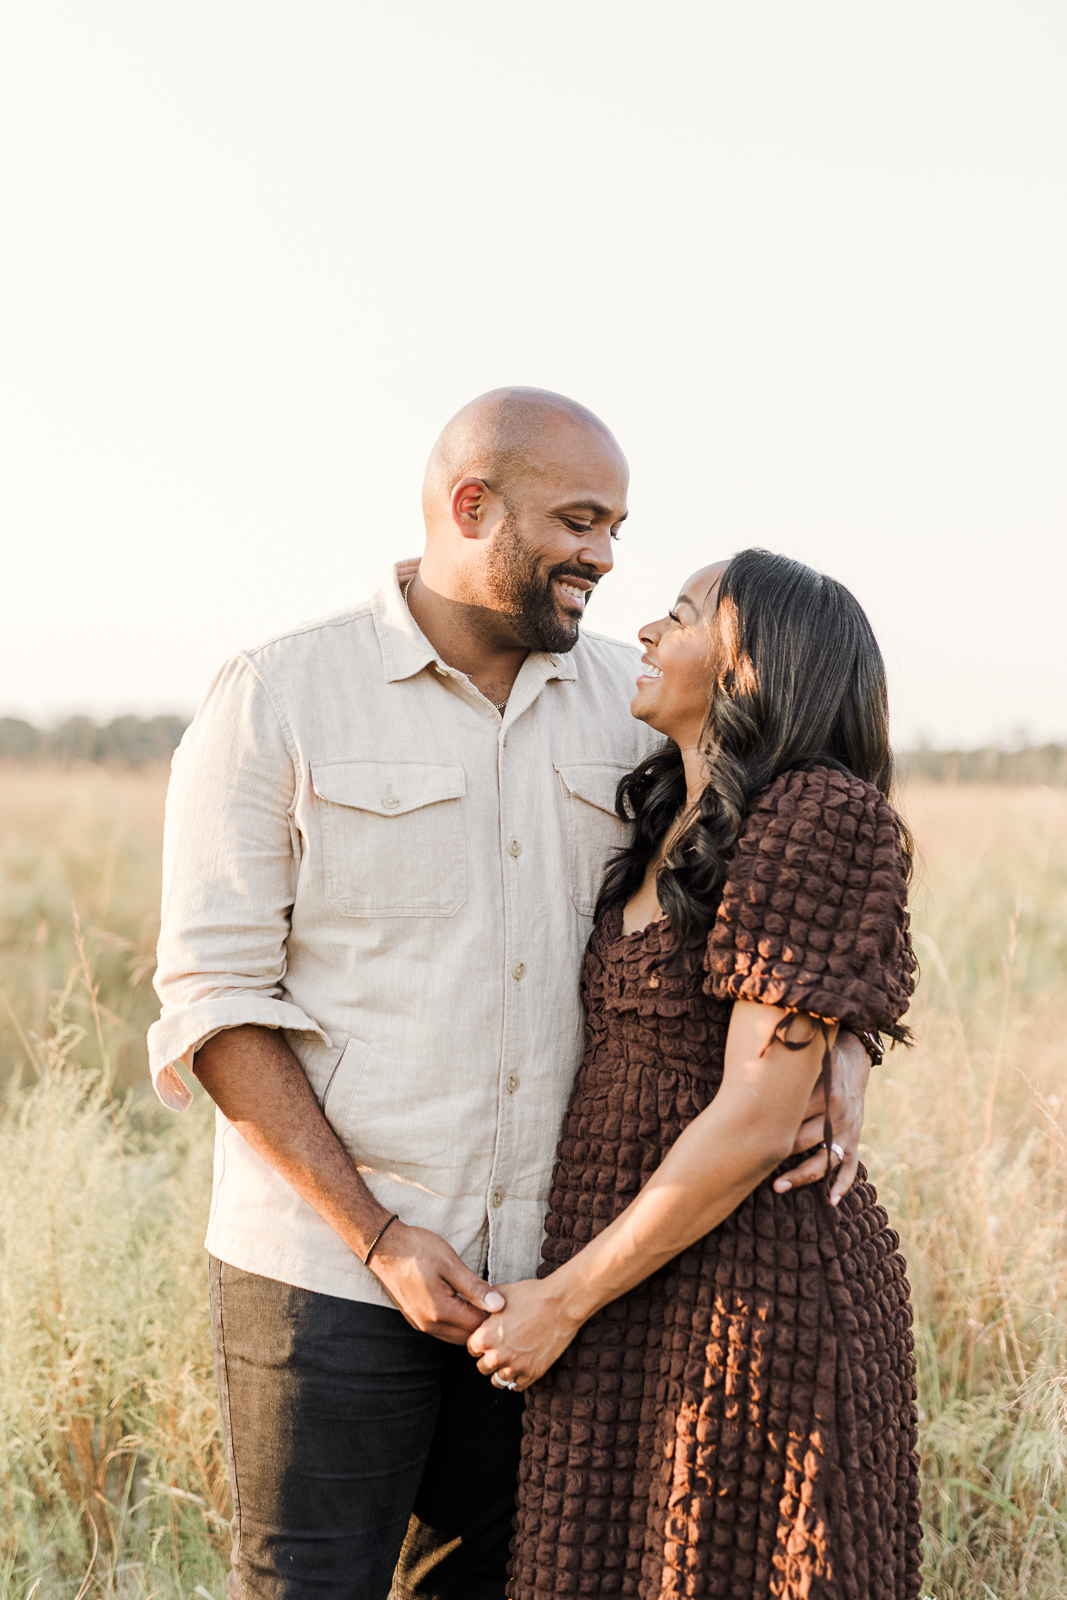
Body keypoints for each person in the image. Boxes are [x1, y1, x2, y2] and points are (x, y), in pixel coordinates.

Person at [148, 391, 876, 1600]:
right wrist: (376, 1237)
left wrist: (841, 1037)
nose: (604, 556)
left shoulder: (633, 704)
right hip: (326, 1277)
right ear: (469, 506)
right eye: (579, 520)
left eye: (618, 527)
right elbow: (214, 1002)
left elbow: (777, 868)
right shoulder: (277, 696)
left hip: (555, 1280)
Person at [469, 549, 921, 1599]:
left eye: (677, 615)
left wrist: (562, 1301)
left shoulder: (814, 812)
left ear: (747, 669)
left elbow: (761, 1114)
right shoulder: (667, 806)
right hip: (631, 1276)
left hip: (748, 1286)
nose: (644, 631)